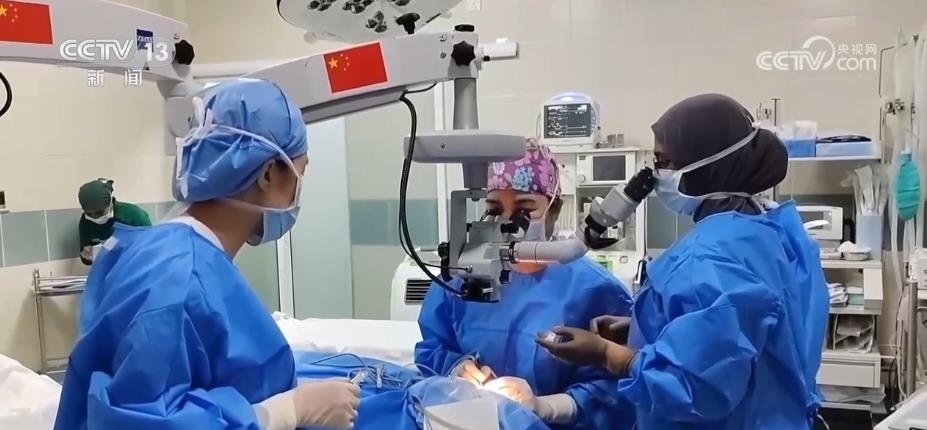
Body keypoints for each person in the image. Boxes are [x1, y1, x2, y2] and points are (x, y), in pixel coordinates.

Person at [55, 79, 360, 430]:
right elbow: (143, 420)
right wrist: (285, 411)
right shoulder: (177, 278)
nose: (298, 191)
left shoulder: (166, 252)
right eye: (298, 173)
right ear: (267, 175)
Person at [537, 94, 831, 430]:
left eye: (663, 161)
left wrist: (606, 354)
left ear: (708, 165)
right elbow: (744, 331)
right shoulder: (771, 229)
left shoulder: (711, 256)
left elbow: (695, 387)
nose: (655, 174)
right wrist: (644, 328)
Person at [415, 138, 636, 430]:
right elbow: (432, 348)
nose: (507, 223)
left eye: (524, 209)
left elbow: (616, 390)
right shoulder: (463, 275)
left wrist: (547, 407)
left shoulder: (595, 291)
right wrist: (456, 369)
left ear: (554, 210)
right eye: (494, 209)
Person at [77, 178, 151, 265]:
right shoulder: (86, 222)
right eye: (89, 214)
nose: (95, 217)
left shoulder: (133, 215)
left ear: (110, 204)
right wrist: (88, 256)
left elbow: (151, 247)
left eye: (99, 213)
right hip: (109, 269)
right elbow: (86, 257)